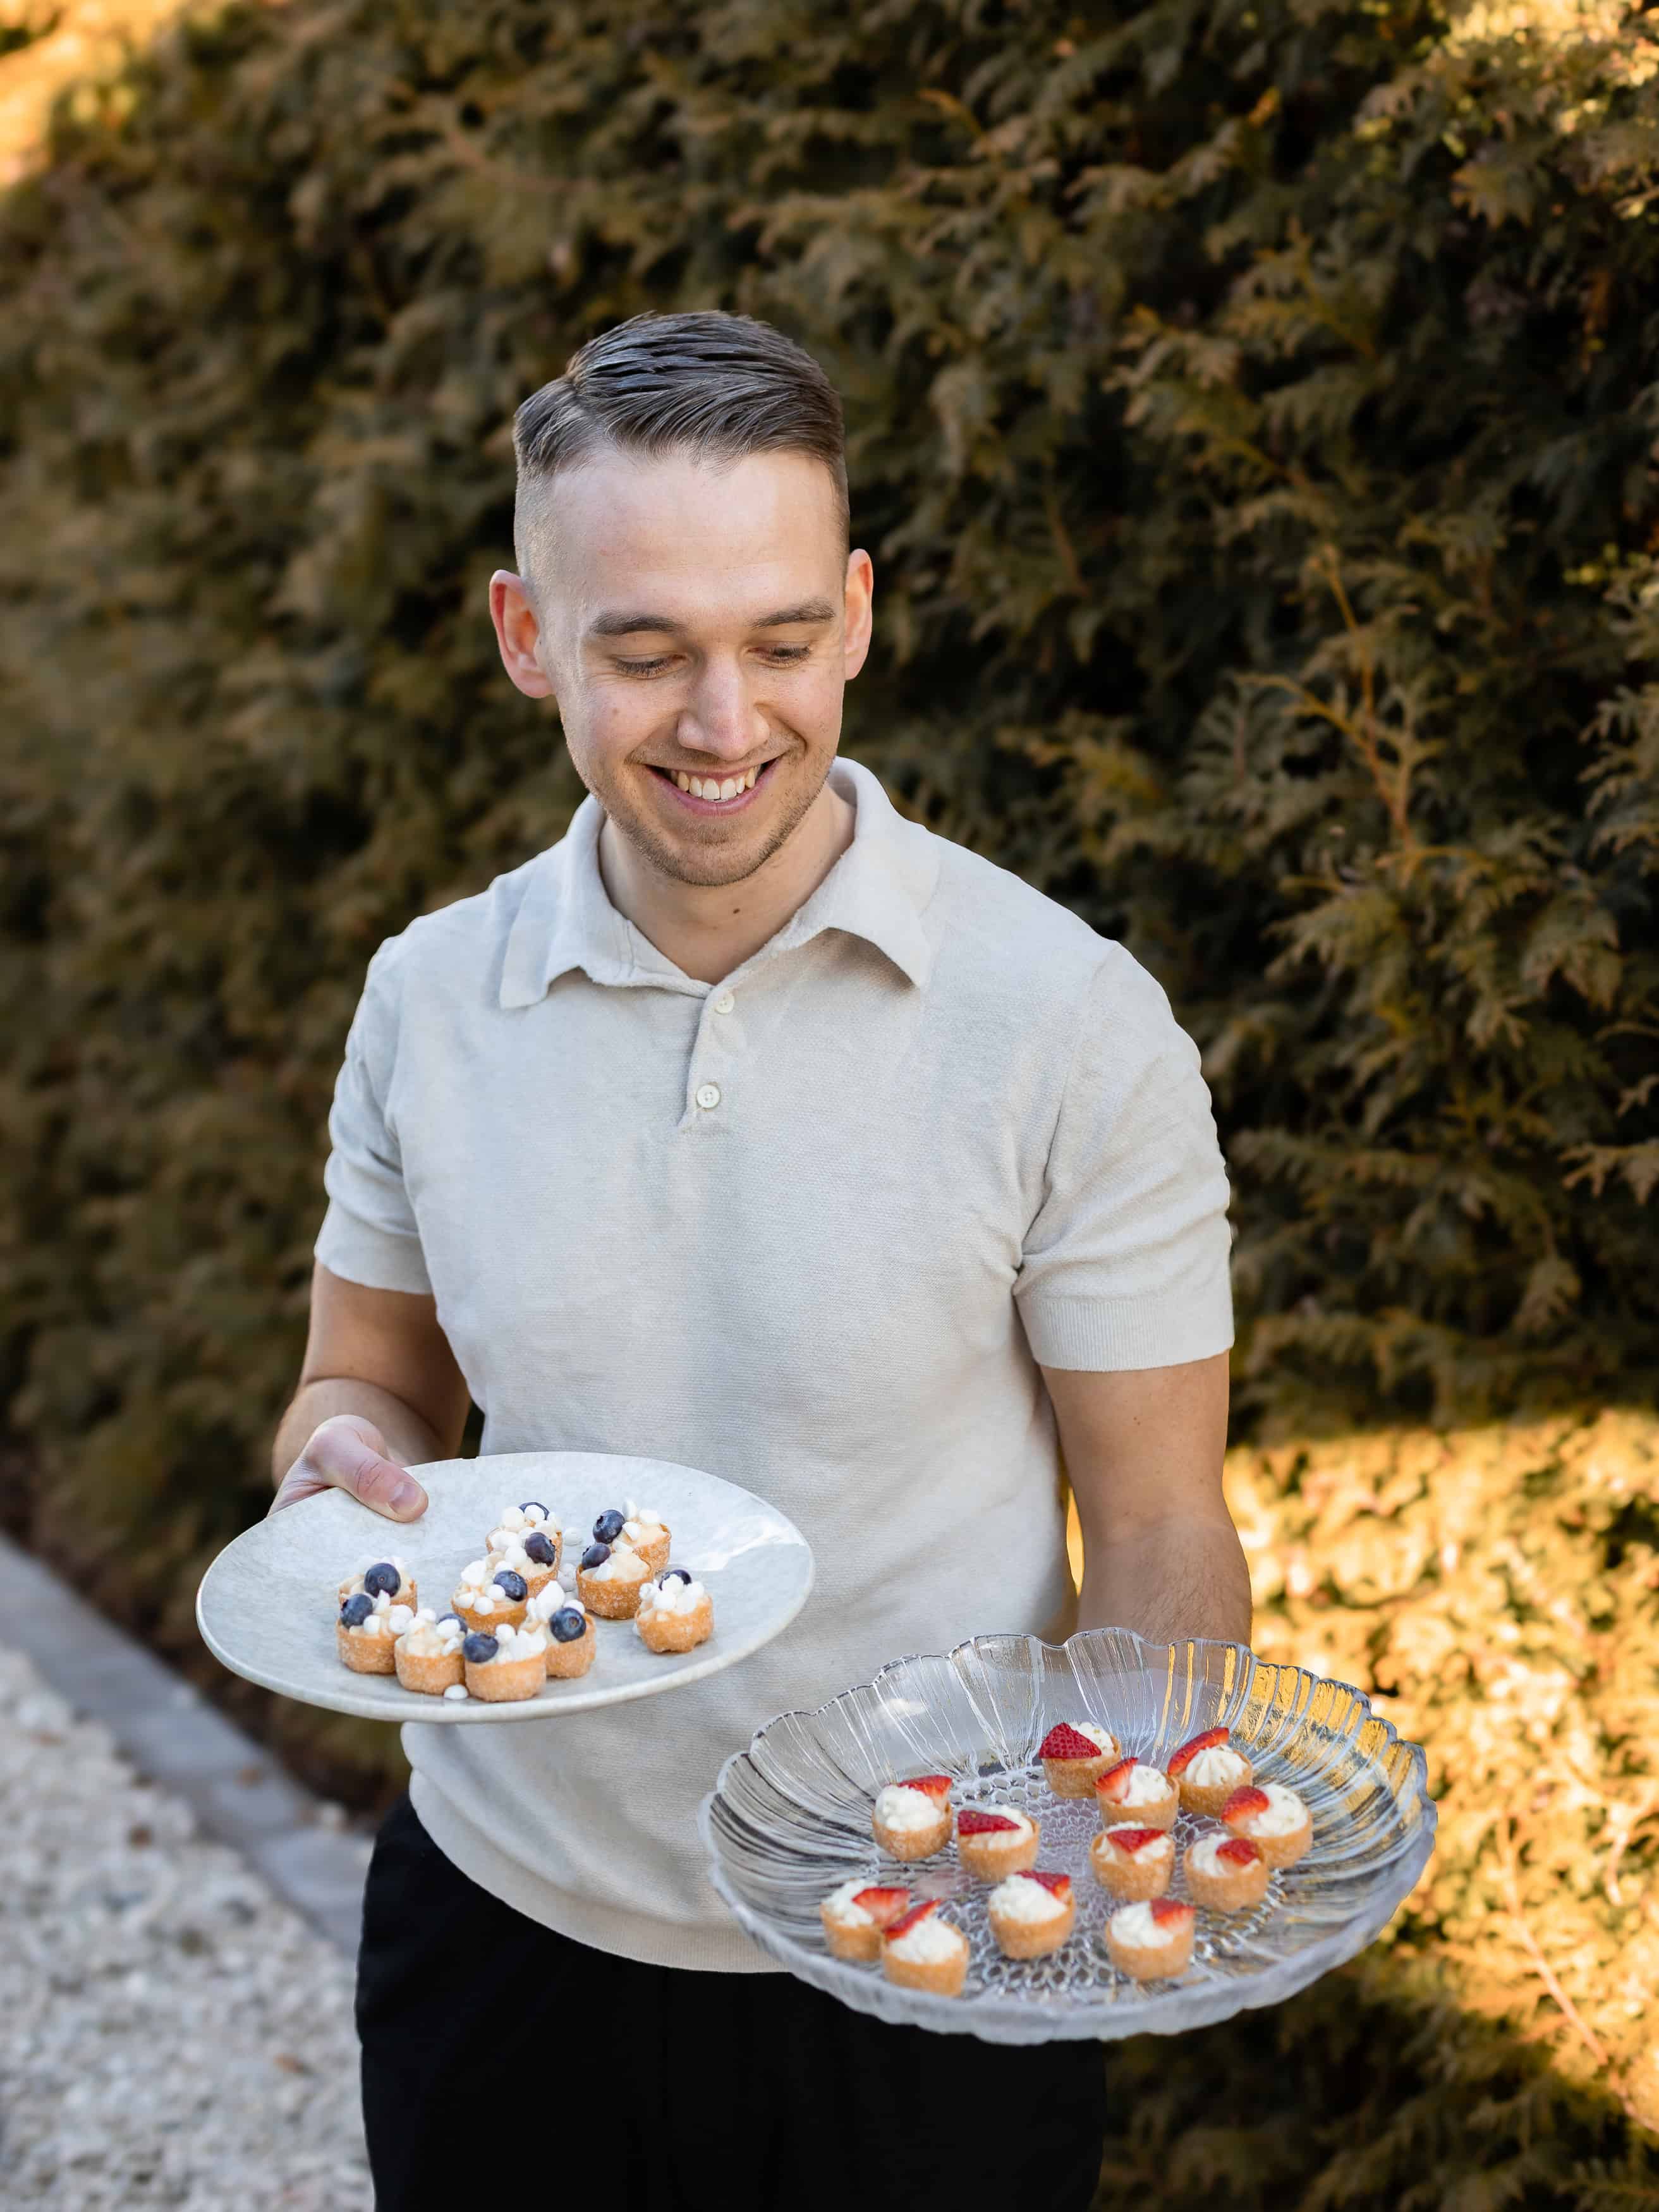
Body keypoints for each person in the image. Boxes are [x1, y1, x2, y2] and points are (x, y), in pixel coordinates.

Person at [269, 309, 1247, 2211]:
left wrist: (1127, 1851)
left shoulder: (1067, 1018)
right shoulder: (425, 999)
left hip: (933, 1954)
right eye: (646, 653)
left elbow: (1154, 1530)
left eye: (783, 642)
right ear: (525, 636)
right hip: (505, 1929)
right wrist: (334, 1461)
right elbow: (364, 1378)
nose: (728, 724)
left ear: (859, 613)